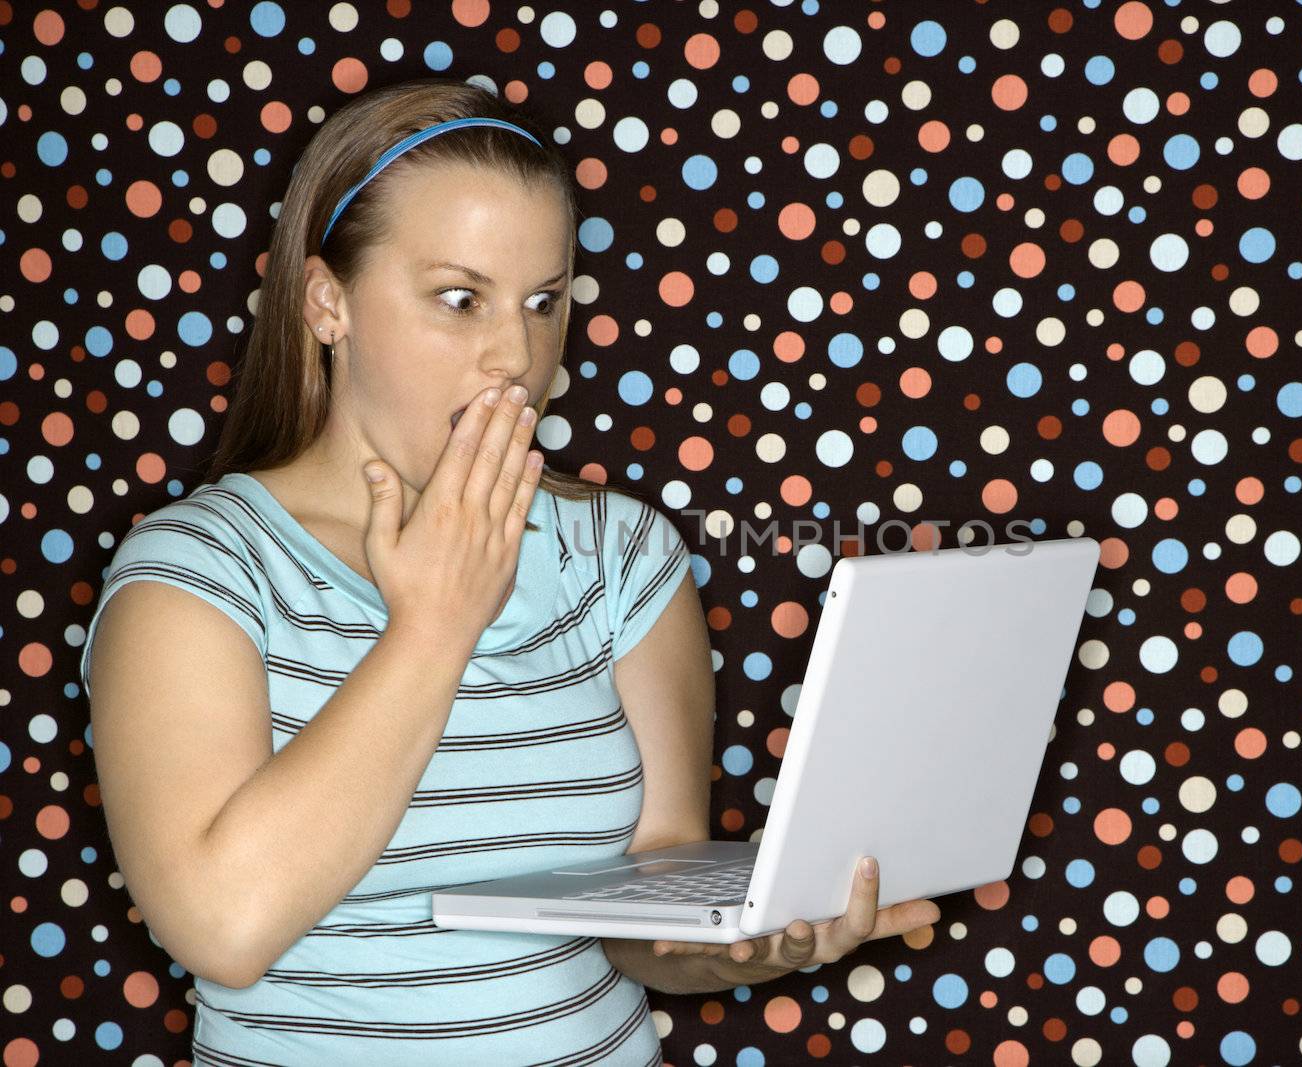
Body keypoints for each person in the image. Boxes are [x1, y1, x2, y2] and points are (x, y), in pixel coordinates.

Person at [78, 77, 941, 1065]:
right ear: (327, 301)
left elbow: (644, 904)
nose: (515, 355)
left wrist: (743, 940)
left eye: (542, 302)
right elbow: (224, 927)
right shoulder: (194, 570)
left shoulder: (621, 552)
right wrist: (434, 624)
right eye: (460, 298)